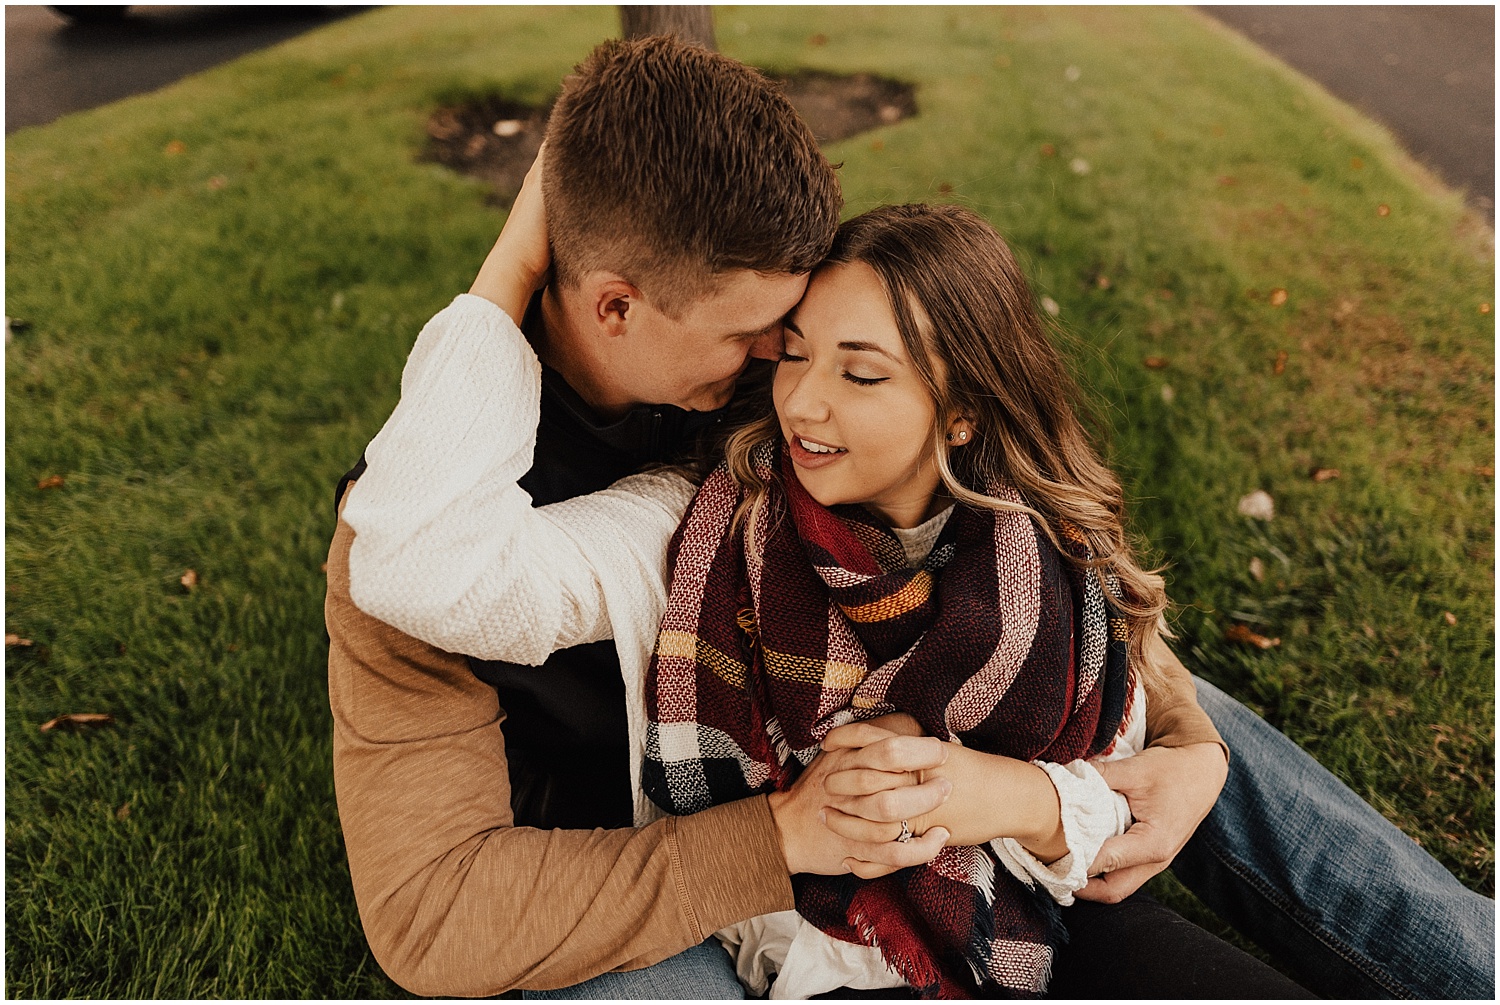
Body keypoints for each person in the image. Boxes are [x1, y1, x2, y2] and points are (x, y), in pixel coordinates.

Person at [326, 35, 1494, 1000]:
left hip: (881, 741)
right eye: (763, 343)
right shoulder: (413, 528)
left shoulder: (769, 392)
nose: (788, 387)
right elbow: (438, 917)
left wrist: (1187, 746)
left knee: (1143, 701)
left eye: (802, 343)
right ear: (618, 303)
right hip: (637, 863)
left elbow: (1022, 550)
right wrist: (511, 261)